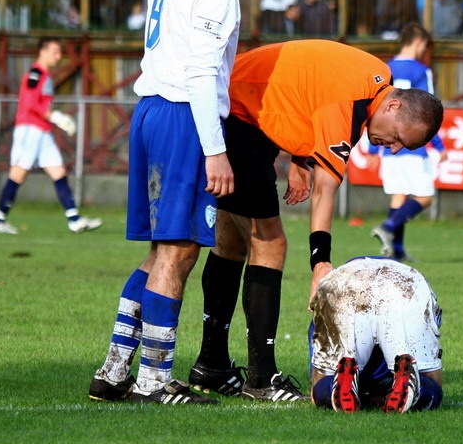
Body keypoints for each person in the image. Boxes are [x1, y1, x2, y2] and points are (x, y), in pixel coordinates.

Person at [88, 0, 268, 405]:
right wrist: (216, 149)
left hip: (149, 107)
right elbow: (200, 71)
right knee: (182, 248)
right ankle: (154, 379)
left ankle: (116, 369)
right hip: (183, 117)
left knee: (159, 248)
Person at [185, 39, 443, 404]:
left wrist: (300, 155)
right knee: (271, 243)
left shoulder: (374, 80)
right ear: (394, 105)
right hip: (237, 116)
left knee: (230, 241)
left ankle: (211, 364)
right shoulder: (352, 100)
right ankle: (261, 378)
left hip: (236, 103)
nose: (394, 148)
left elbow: (306, 86)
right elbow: (325, 189)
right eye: (400, 138)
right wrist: (320, 262)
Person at [0, 36, 102, 235]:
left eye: (59, 52)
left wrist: (52, 119)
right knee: (18, 174)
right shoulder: (35, 73)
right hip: (29, 130)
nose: (58, 56)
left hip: (43, 131)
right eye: (55, 52)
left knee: (59, 173)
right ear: (42, 51)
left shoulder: (45, 75)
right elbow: (30, 102)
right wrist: (55, 116)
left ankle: (74, 219)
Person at [310, 256, 443, 414]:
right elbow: (432, 374)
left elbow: (317, 381)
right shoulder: (401, 271)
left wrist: (362, 396)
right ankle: (415, 389)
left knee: (320, 387)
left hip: (343, 285)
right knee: (432, 383)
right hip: (404, 283)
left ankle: (336, 386)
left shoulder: (339, 278)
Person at [369, 23, 447, 261]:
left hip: (387, 142)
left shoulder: (385, 68)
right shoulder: (421, 70)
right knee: (425, 197)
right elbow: (427, 113)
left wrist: (374, 147)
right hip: (412, 145)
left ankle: (397, 250)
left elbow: (376, 108)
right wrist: (439, 145)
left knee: (399, 194)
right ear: (419, 42)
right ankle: (388, 227)